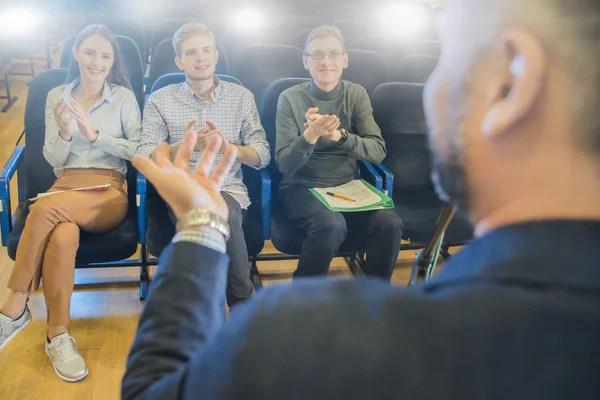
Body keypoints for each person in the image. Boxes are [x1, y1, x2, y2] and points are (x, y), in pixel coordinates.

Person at [123, 0, 600, 398]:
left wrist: (199, 228)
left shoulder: (286, 337)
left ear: (514, 84)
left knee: (384, 221)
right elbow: (283, 162)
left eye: (446, 59)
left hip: (249, 201)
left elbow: (151, 388)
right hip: (301, 191)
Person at [0, 24, 141, 382]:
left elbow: (139, 150)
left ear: (113, 62)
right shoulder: (57, 96)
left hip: (108, 189)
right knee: (62, 237)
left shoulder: (123, 97)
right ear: (75, 52)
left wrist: (96, 136)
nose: (97, 62)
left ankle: (14, 305)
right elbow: (51, 156)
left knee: (43, 209)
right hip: (66, 185)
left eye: (105, 56)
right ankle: (57, 334)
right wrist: (64, 133)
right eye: (90, 53)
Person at [136, 23, 270, 308]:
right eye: (191, 52)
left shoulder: (241, 97)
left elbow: (262, 154)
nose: (201, 57)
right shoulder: (160, 98)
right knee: (210, 216)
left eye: (206, 50)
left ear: (216, 55)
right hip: (182, 190)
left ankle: (209, 307)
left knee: (224, 215)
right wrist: (181, 147)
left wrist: (229, 149)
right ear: (179, 61)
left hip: (228, 189)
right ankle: (240, 304)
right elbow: (145, 152)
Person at [275, 26, 403, 279]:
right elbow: (285, 165)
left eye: (333, 54)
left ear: (345, 60)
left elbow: (377, 151)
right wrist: (310, 135)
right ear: (305, 61)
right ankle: (304, 296)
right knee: (330, 225)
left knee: (390, 223)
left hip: (347, 187)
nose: (326, 61)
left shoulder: (356, 94)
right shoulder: (289, 98)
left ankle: (376, 296)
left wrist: (339, 136)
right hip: (301, 186)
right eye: (317, 55)